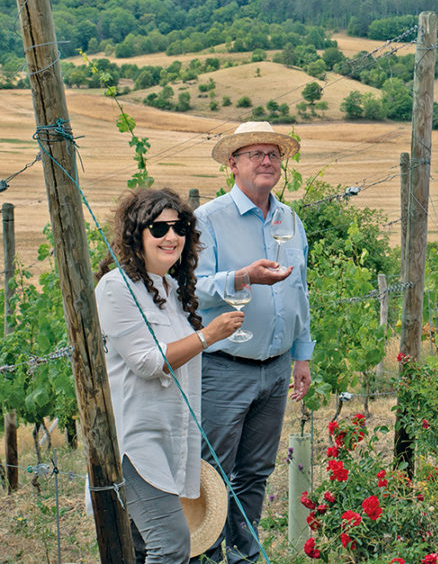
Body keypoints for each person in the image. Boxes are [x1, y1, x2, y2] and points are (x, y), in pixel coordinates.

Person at [95, 188, 244, 563]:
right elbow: (147, 362)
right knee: (171, 543)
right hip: (138, 443)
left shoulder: (173, 290)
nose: (171, 236)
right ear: (136, 235)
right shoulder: (116, 287)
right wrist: (207, 336)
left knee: (141, 548)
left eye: (179, 227)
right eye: (159, 229)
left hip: (172, 439)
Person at [194, 121, 314, 562]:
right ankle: (205, 556)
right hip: (225, 365)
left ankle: (244, 554)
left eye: (273, 154)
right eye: (255, 154)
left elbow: (298, 292)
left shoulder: (290, 219)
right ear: (233, 164)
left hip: (276, 366)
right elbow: (191, 288)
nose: (267, 161)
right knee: (213, 473)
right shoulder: (208, 220)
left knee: (256, 471)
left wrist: (301, 355)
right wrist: (244, 277)